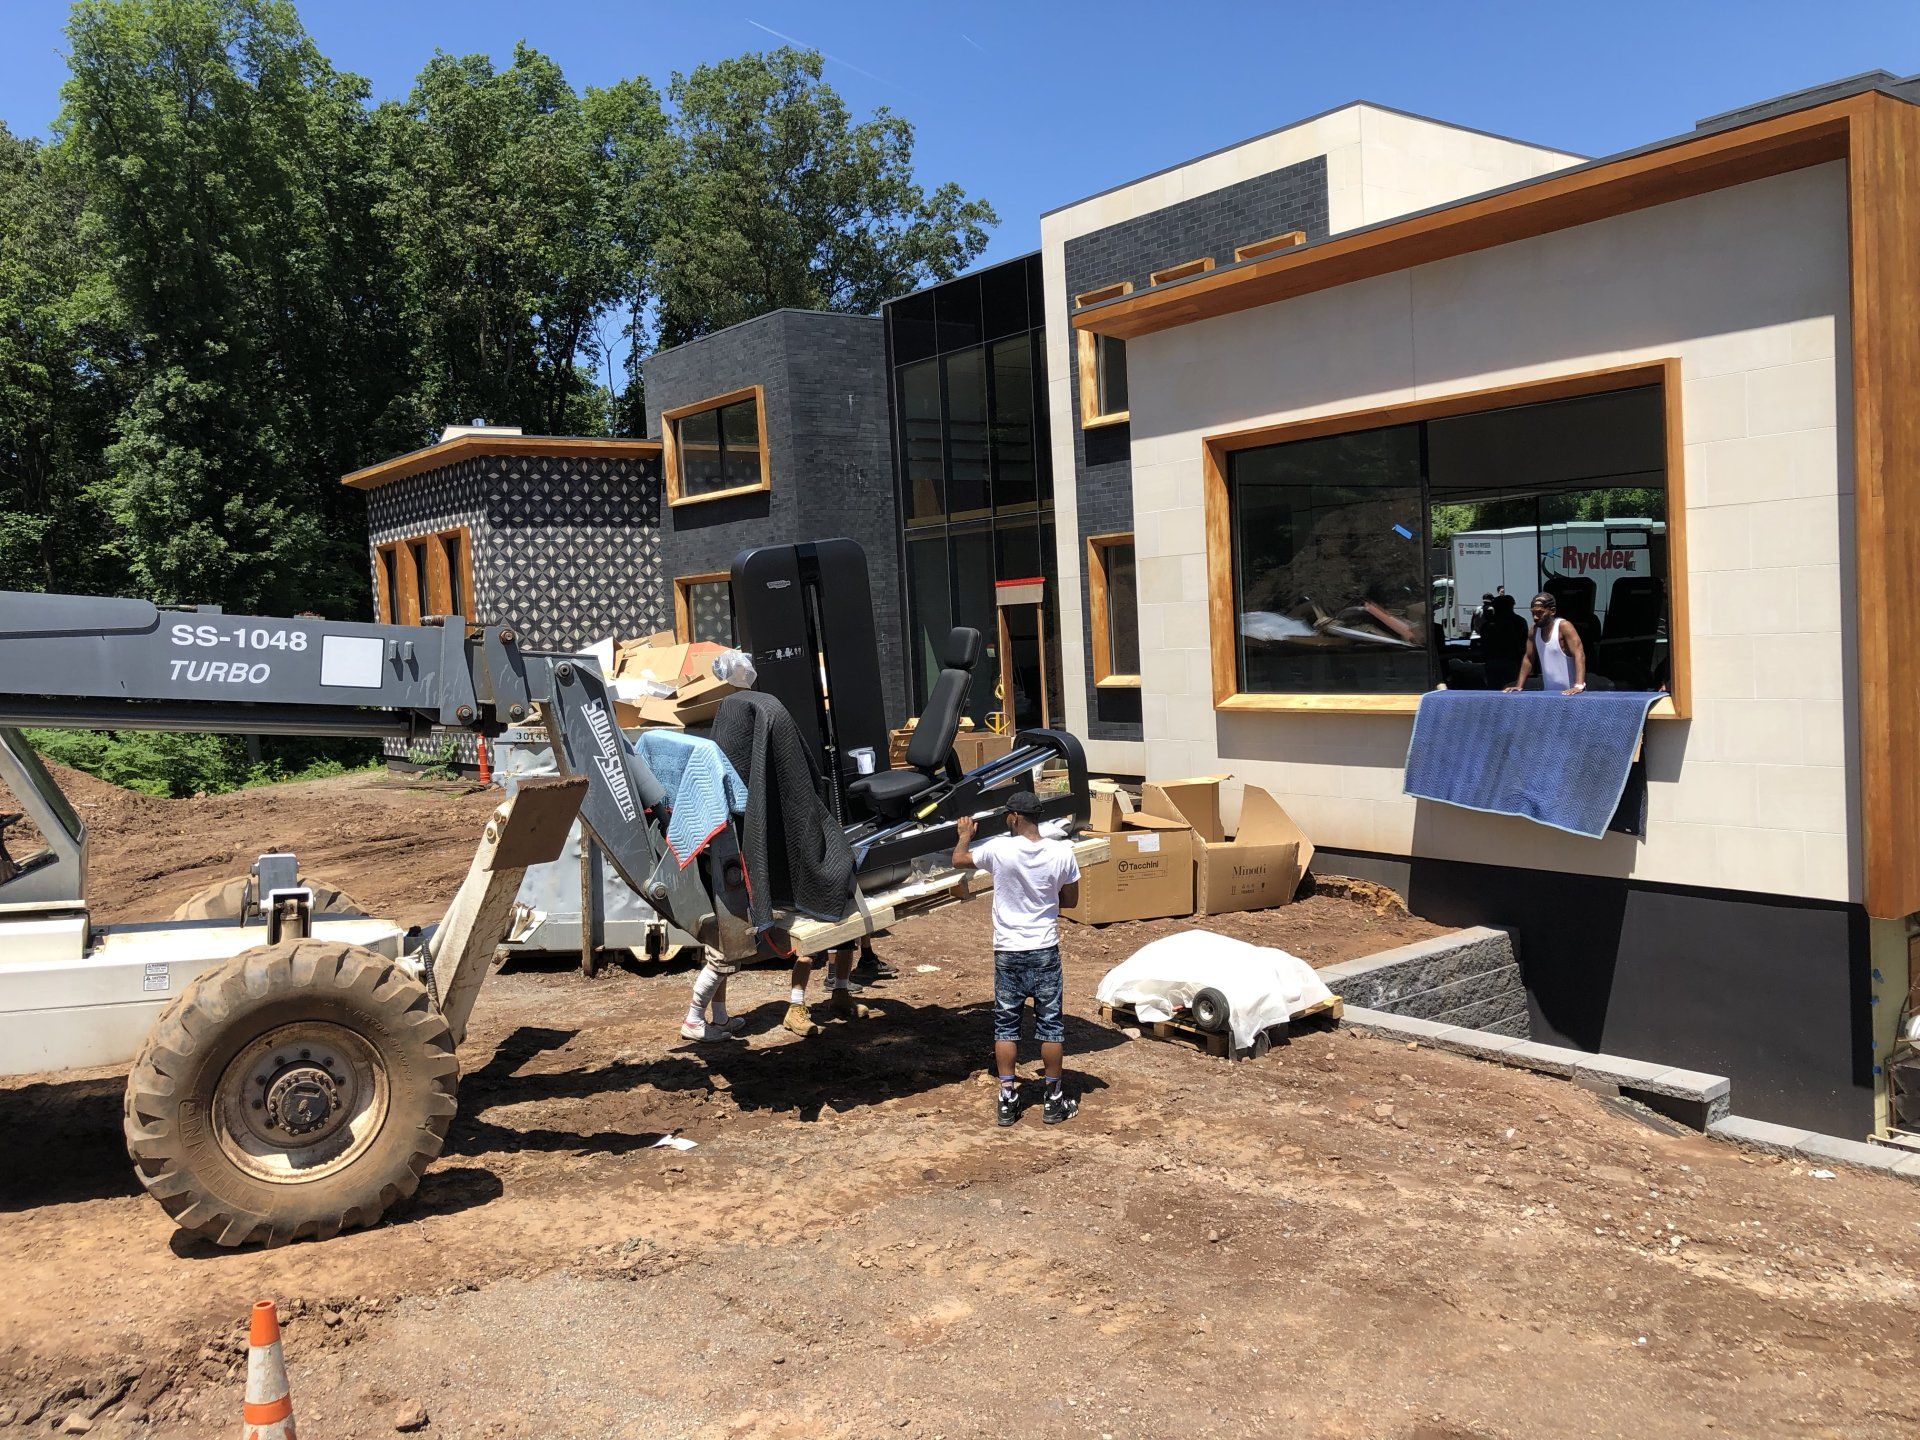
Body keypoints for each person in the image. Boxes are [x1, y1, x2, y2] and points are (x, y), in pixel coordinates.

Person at [952, 792, 1081, 1127]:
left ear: (1014, 817)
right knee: (1050, 1025)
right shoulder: (1062, 852)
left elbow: (959, 859)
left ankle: (1007, 1099)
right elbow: (1070, 900)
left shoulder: (999, 850)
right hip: (1044, 949)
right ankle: (1053, 1100)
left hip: (1008, 951)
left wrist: (965, 834)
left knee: (1006, 1026)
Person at [1506, 591, 1587, 695]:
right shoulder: (1534, 631)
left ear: (1552, 611)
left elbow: (1579, 654)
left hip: (1572, 694)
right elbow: (1528, 658)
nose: (1535, 617)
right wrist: (1519, 686)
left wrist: (1579, 685)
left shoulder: (1564, 626)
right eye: (1533, 613)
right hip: (1549, 693)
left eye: (1540, 613)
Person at [1479, 592, 1529, 690]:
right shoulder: (1519, 621)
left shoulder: (1487, 624)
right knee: (1511, 688)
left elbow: (1484, 644)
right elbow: (1524, 643)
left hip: (1495, 661)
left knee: (1494, 690)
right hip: (1511, 661)